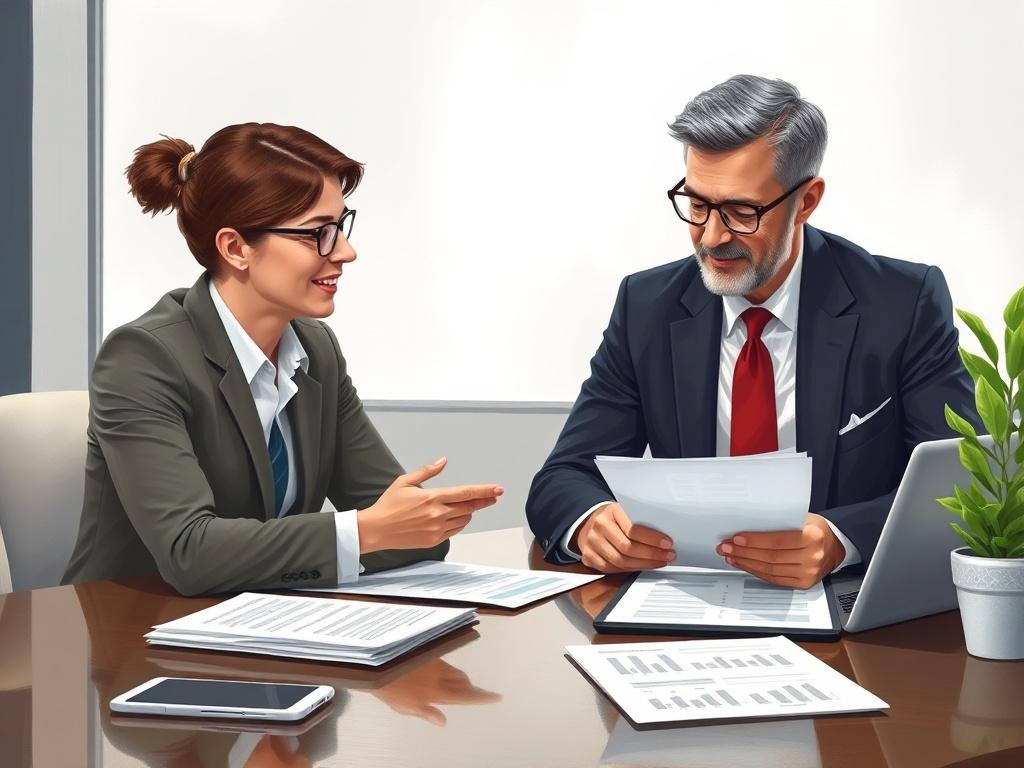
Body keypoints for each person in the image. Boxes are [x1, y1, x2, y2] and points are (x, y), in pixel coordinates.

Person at [526, 75, 979, 589]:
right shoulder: (646, 307)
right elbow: (561, 478)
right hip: (684, 608)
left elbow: (963, 486)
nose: (713, 237)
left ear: (806, 201)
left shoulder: (903, 303)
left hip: (849, 615)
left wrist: (838, 539)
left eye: (742, 212)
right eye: (697, 205)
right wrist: (592, 524)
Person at [62, 123, 503, 596]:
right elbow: (191, 554)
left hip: (263, 623)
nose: (346, 252)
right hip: (125, 638)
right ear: (235, 248)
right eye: (319, 233)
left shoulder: (316, 351)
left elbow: (408, 535)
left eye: (342, 226)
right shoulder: (143, 358)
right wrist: (365, 532)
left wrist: (408, 524)